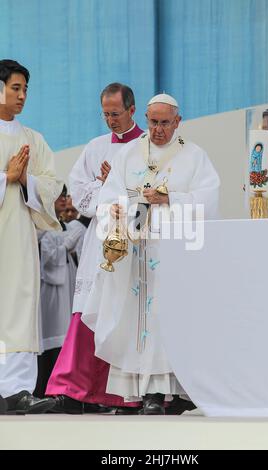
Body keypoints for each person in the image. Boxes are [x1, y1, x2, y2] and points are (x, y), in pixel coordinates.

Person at [82, 93, 220, 414]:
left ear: (178, 121)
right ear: (145, 119)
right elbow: (111, 195)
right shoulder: (130, 154)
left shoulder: (194, 156)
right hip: (137, 251)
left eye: (165, 123)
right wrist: (118, 213)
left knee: (167, 318)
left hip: (175, 254)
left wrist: (169, 198)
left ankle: (171, 392)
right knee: (138, 319)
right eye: (153, 122)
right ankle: (142, 392)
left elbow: (208, 199)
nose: (158, 129)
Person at [46, 83, 144, 414]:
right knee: (87, 313)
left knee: (127, 315)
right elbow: (78, 196)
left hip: (133, 236)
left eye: (116, 114)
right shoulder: (95, 146)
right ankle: (73, 389)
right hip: (100, 239)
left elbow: (152, 194)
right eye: (105, 114)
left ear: (131, 109)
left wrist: (118, 185)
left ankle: (124, 395)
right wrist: (105, 184)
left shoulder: (148, 146)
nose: (110, 121)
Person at [0, 59, 62, 413]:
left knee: (20, 303)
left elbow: (52, 185)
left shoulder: (31, 140)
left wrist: (26, 181)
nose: (22, 96)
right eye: (15, 88)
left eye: (25, 89)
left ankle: (19, 389)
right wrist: (5, 177)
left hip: (20, 236)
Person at [34, 185, 86, 398]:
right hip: (48, 287)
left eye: (65, 195)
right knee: (50, 334)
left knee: (64, 333)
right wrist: (65, 246)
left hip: (67, 283)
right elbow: (47, 257)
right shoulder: (41, 225)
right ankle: (43, 389)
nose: (64, 200)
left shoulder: (63, 227)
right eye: (59, 196)